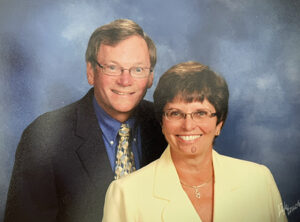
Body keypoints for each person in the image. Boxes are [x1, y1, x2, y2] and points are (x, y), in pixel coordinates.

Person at [4, 19, 166, 222]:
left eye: (138, 69)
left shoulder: (168, 127)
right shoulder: (44, 137)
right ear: (91, 72)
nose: (125, 81)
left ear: (151, 77)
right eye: (113, 67)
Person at [102, 61, 287, 222]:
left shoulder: (258, 181)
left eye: (201, 113)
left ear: (219, 123)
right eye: (175, 113)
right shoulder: (126, 194)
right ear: (162, 123)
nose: (188, 125)